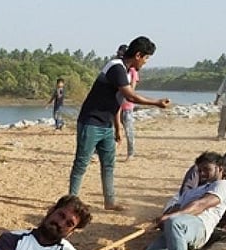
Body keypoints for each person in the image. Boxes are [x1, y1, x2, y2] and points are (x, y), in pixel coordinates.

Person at [67, 36, 170, 211]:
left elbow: (118, 101)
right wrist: (156, 103)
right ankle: (70, 203)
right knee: (81, 164)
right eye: (146, 58)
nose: (145, 63)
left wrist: (117, 127)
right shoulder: (116, 67)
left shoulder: (124, 70)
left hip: (106, 125)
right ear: (138, 55)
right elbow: (130, 96)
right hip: (91, 123)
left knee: (108, 164)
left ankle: (110, 202)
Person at [116, 43, 140, 160]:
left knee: (128, 130)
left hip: (126, 106)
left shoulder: (132, 72)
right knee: (110, 129)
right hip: (116, 105)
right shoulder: (118, 68)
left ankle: (130, 153)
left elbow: (132, 88)